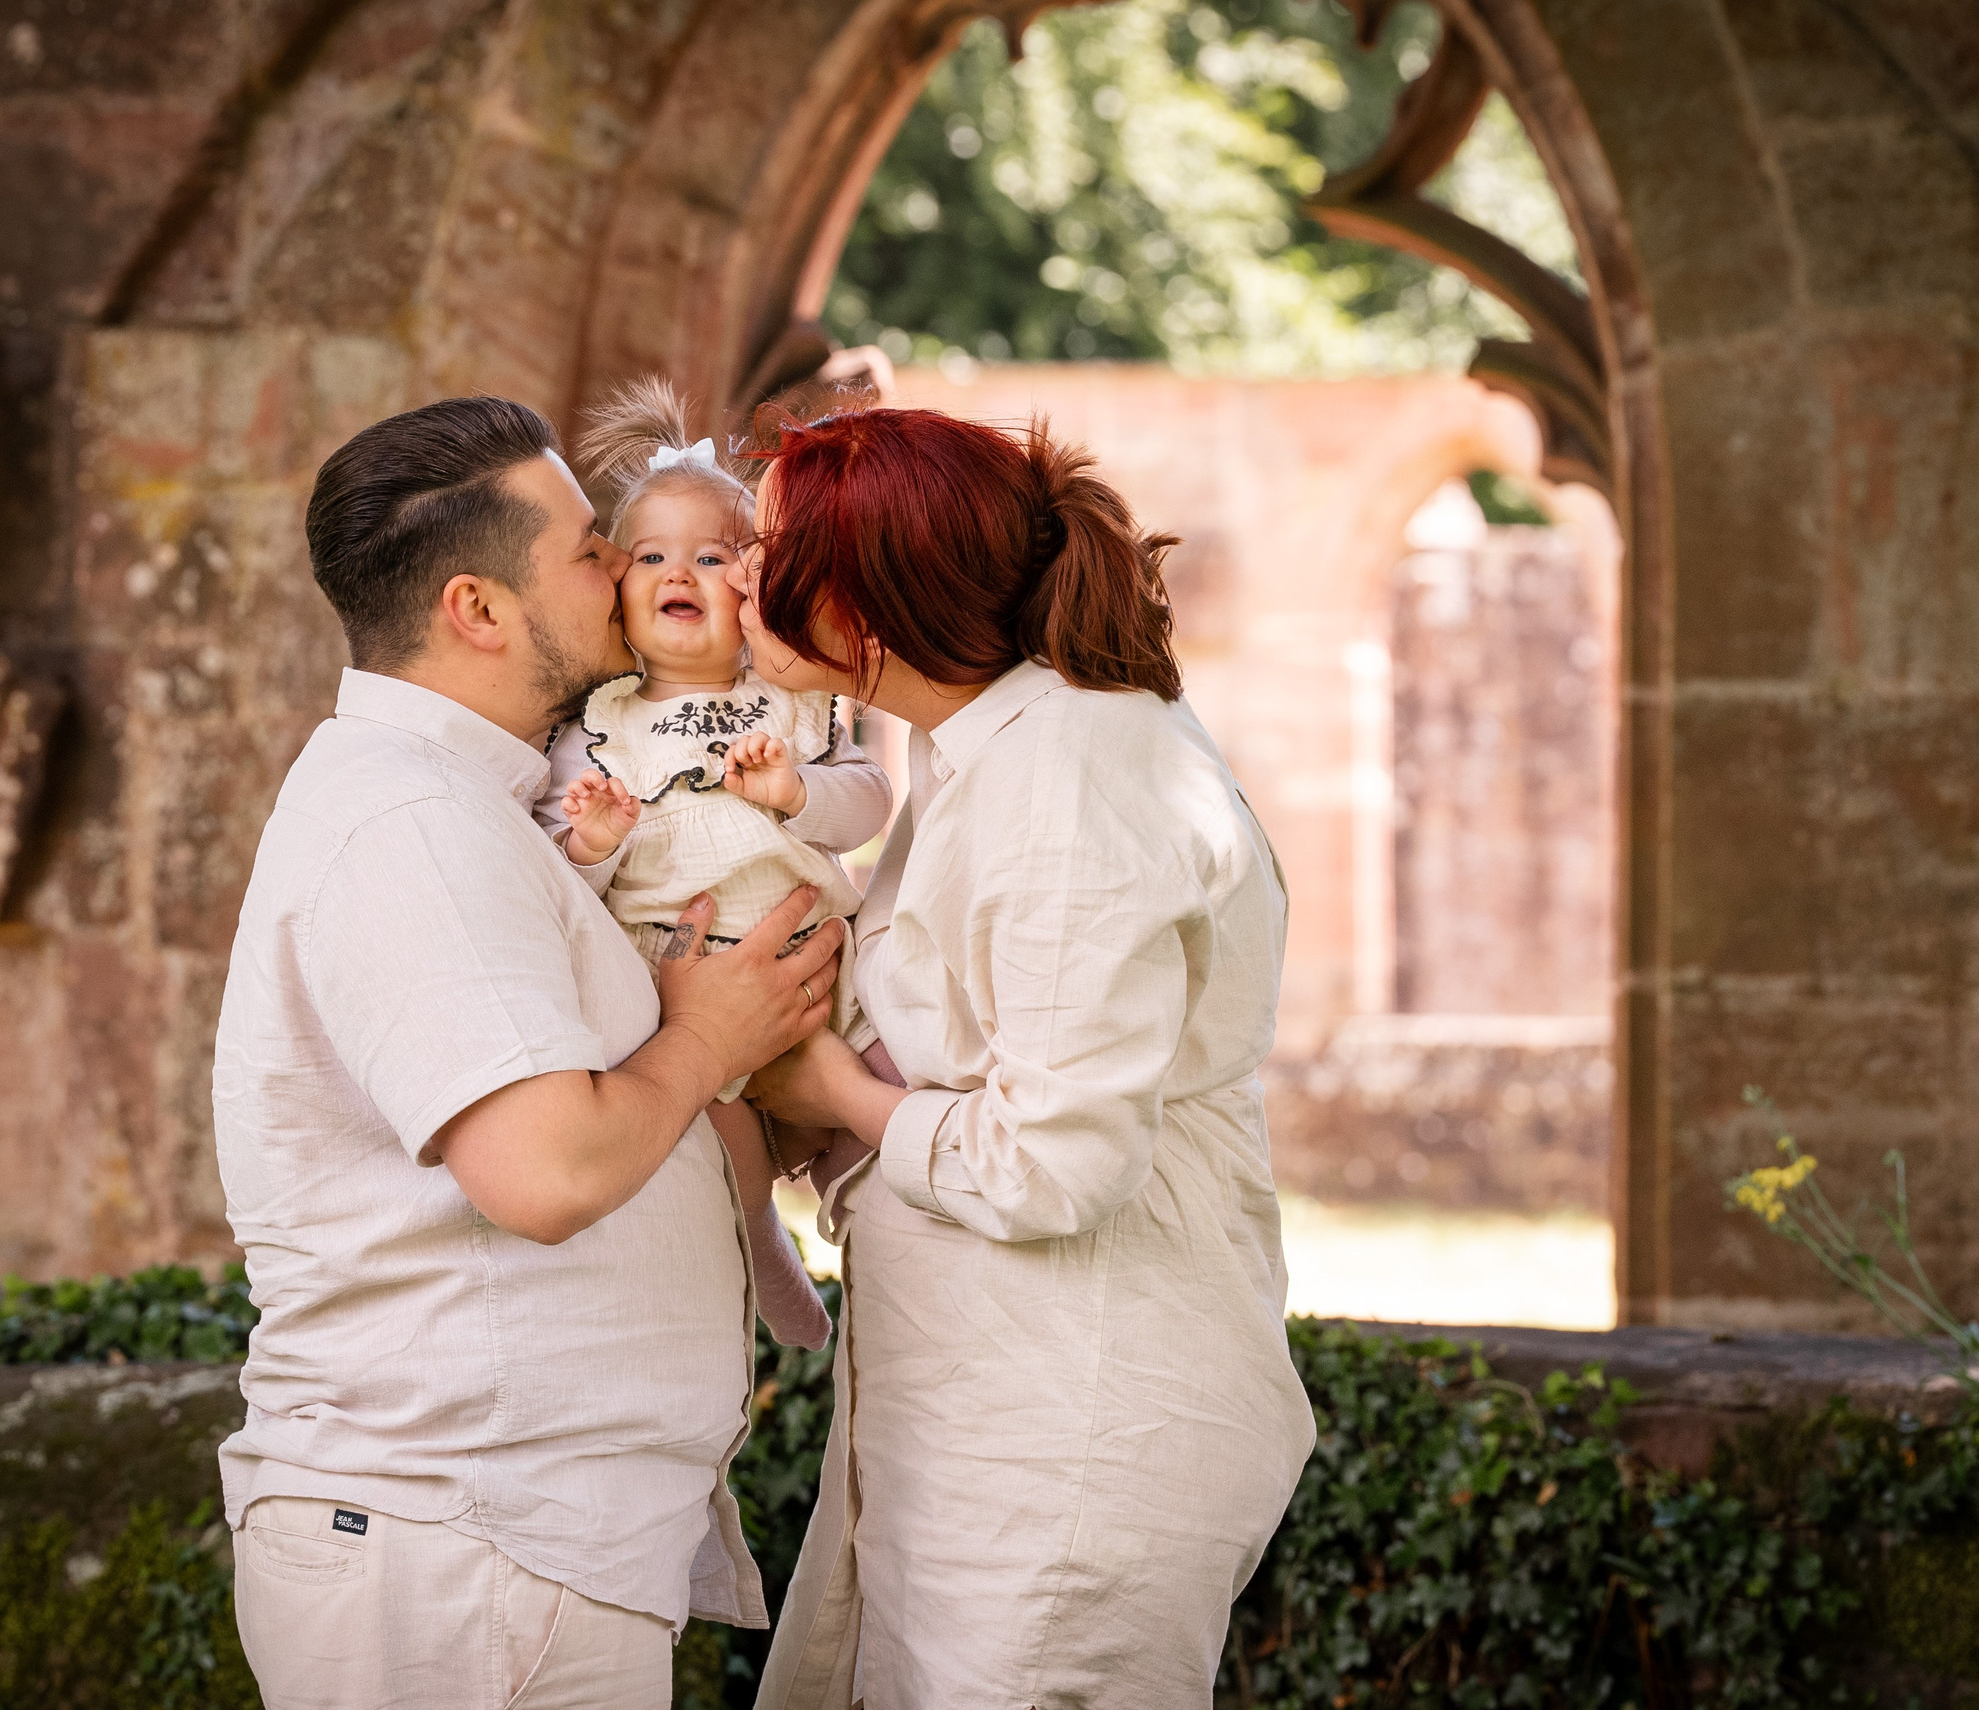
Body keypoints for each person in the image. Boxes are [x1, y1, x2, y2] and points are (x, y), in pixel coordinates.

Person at [212, 394, 843, 1710]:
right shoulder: (415, 828)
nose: (625, 568)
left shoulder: (487, 810)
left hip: (494, 1548)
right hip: (458, 1554)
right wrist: (707, 1031)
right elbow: (546, 1169)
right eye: (585, 550)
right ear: (480, 610)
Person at [735, 406, 1316, 1709]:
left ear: (855, 605)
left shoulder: (1068, 779)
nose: (732, 573)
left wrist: (828, 1090)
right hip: (983, 1412)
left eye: (764, 550)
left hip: (1070, 1439)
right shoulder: (987, 745)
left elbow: (1060, 1160)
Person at [535, 379, 895, 1353]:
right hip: (677, 979)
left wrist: (796, 796)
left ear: (754, 589)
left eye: (711, 555)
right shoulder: (595, 730)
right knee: (715, 1131)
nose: (677, 571)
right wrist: (593, 844)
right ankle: (761, 1253)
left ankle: (892, 1249)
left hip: (821, 960)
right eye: (648, 555)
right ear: (614, 587)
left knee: (896, 1077)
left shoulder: (792, 703)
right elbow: (555, 893)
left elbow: (871, 802)